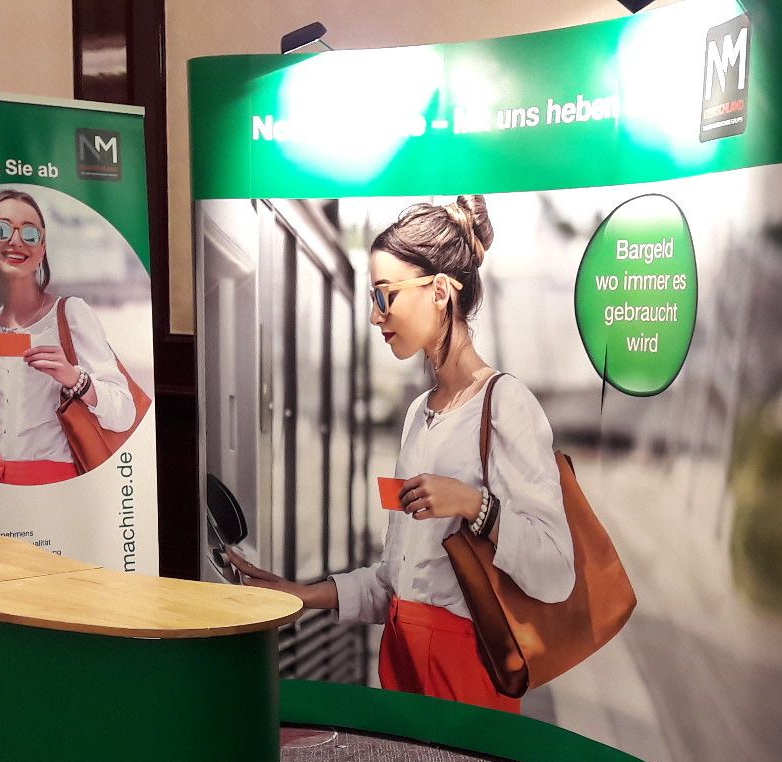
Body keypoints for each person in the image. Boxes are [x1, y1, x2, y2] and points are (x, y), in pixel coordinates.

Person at [229, 196, 574, 713]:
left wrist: (474, 505)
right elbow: (397, 584)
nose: (375, 316)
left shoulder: (506, 404)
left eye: (384, 295)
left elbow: (557, 571)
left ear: (439, 291)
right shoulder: (418, 414)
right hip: (401, 663)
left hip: (467, 677)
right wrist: (300, 594)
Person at [0, 189, 136, 484]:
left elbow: (125, 412)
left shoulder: (71, 314)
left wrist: (76, 379)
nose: (16, 240)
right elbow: (10, 404)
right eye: (2, 229)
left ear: (42, 248)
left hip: (55, 482)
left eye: (30, 233)